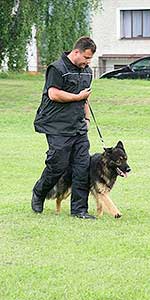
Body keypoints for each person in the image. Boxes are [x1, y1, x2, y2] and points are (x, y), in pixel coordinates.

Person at [31, 36, 96, 219]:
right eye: (86, 57)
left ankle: (79, 210)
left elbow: (86, 98)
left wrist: (87, 120)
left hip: (78, 126)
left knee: (82, 167)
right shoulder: (57, 68)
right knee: (57, 165)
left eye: (90, 59)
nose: (88, 62)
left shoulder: (87, 72)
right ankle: (39, 192)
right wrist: (77, 97)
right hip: (57, 125)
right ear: (76, 52)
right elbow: (53, 94)